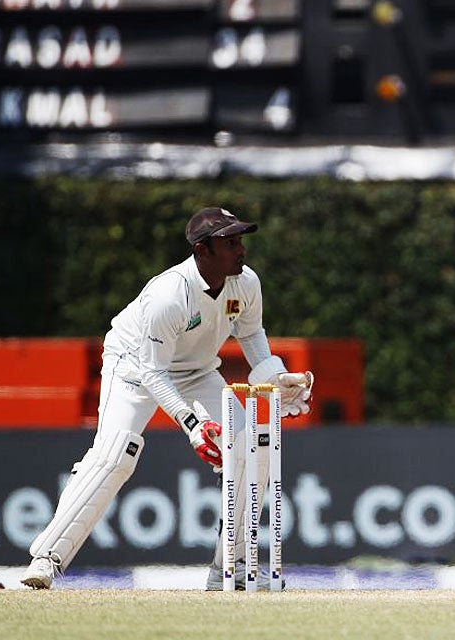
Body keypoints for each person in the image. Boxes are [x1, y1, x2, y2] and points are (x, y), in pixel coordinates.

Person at [20, 206, 314, 591]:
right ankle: (46, 560)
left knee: (250, 448)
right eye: (231, 243)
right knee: (115, 453)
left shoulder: (245, 283)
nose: (241, 250)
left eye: (241, 241)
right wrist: (193, 426)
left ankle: (232, 566)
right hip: (134, 367)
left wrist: (276, 378)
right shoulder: (168, 296)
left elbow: (252, 336)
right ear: (202, 249)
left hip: (197, 371)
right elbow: (153, 373)